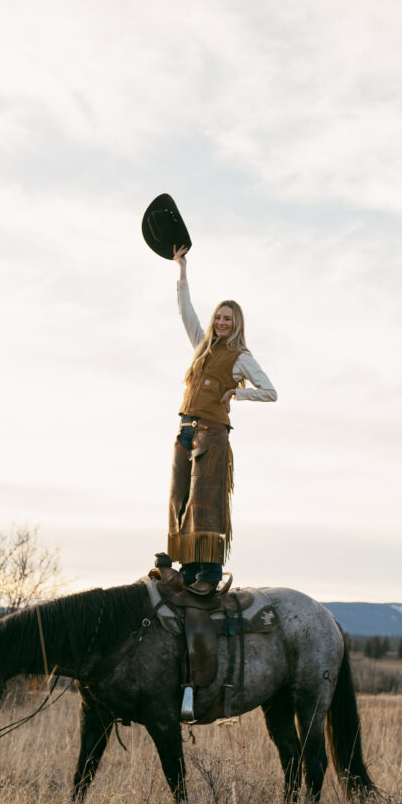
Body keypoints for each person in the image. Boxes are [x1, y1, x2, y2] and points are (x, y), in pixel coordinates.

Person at [166, 244, 277, 594]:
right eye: (218, 317)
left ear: (236, 323)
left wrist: (237, 393)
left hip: (212, 434)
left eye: (228, 318)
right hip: (185, 430)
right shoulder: (203, 346)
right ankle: (188, 567)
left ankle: (210, 572)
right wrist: (181, 272)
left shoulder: (240, 356)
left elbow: (270, 390)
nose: (221, 322)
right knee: (179, 498)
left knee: (205, 500)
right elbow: (186, 314)